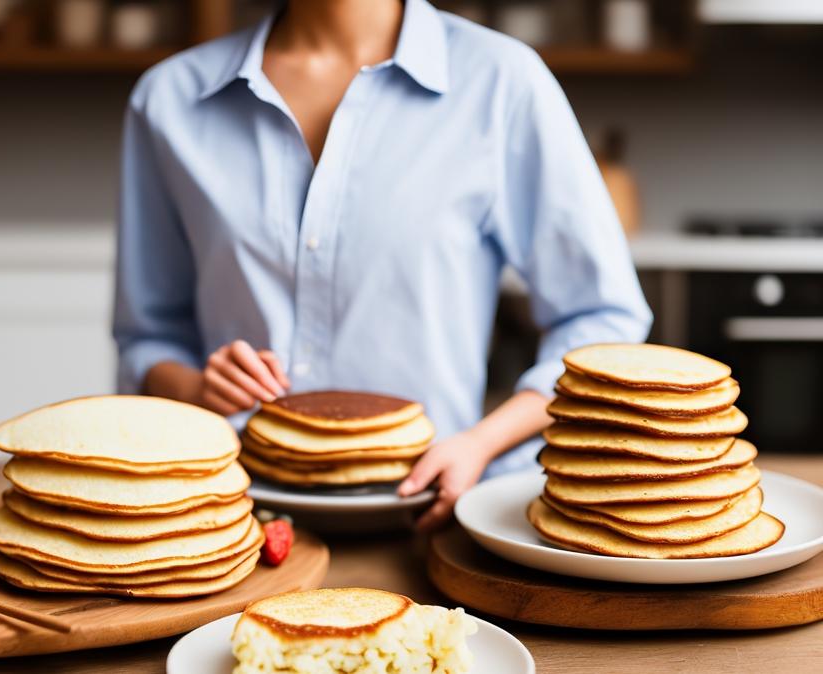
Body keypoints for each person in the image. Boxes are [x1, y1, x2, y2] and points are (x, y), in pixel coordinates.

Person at [111, 0, 652, 530]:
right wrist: (196, 387)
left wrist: (481, 443)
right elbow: (149, 335)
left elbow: (603, 318)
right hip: (231, 523)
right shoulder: (170, 99)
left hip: (429, 520)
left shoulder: (501, 82)